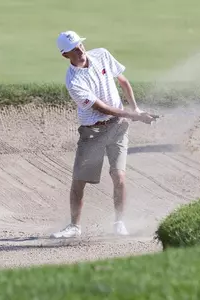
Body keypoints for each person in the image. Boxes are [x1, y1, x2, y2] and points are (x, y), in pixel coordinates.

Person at [51, 30, 157, 239]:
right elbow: (102, 109)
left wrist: (135, 109)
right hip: (93, 131)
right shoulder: (73, 82)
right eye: (73, 49)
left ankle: (119, 223)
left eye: (80, 45)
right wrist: (132, 115)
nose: (79, 50)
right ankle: (74, 226)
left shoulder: (101, 54)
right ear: (65, 55)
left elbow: (123, 81)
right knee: (80, 180)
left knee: (119, 176)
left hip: (118, 127)